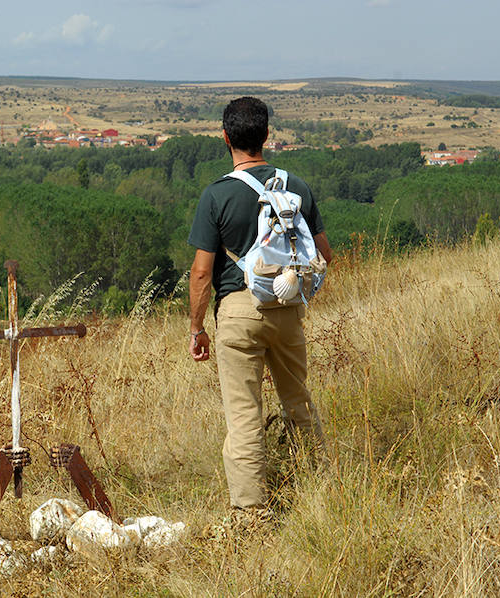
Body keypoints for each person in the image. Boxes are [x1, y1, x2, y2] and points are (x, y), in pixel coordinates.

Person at [187, 96, 332, 525]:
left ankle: (251, 515)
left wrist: (197, 329)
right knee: (298, 403)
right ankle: (319, 491)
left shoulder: (217, 194)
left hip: (236, 310)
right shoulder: (297, 187)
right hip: (287, 307)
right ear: (266, 135)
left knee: (244, 416)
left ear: (226, 137)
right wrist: (295, 295)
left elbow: (200, 273)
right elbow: (323, 254)